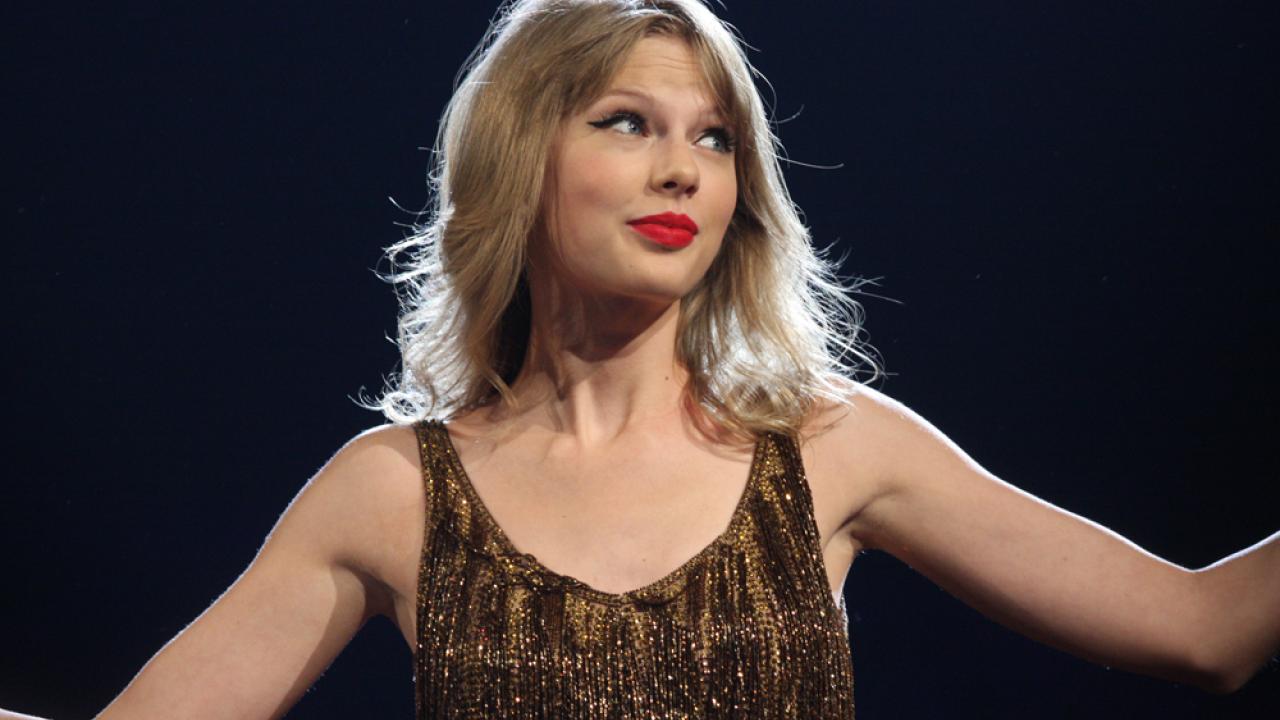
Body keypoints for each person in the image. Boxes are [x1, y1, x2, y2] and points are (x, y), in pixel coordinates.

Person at [4, 0, 1276, 718]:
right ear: (522, 162)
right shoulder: (392, 490)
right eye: (627, 123)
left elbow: (1204, 630)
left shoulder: (830, 448)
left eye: (713, 139)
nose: (681, 167)